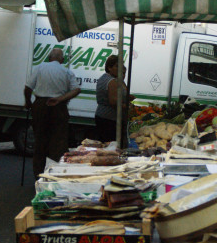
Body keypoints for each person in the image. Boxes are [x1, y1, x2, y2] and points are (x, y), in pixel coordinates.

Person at [24, 48, 81, 178]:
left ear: (49, 57)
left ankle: (38, 175)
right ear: (62, 59)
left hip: (40, 106)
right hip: (59, 108)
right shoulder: (66, 72)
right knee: (58, 143)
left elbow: (28, 88)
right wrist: (60, 99)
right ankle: (54, 175)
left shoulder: (39, 68)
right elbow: (77, 89)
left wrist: (28, 102)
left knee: (40, 142)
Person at [95, 55, 136, 143]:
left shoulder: (105, 78)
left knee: (104, 144)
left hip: (102, 116)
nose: (120, 69)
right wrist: (127, 107)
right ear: (109, 67)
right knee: (110, 145)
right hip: (109, 119)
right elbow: (113, 102)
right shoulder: (111, 81)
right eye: (117, 66)